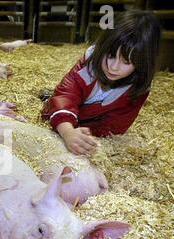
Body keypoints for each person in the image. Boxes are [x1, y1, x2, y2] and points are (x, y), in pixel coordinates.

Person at [40, 10, 161, 155]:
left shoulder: (139, 88)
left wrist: (88, 139)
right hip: (67, 119)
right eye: (110, 56)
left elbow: (117, 125)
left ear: (142, 63)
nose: (114, 67)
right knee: (53, 102)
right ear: (102, 47)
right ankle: (48, 98)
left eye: (126, 62)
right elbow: (66, 95)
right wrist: (68, 132)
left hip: (90, 124)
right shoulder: (89, 63)